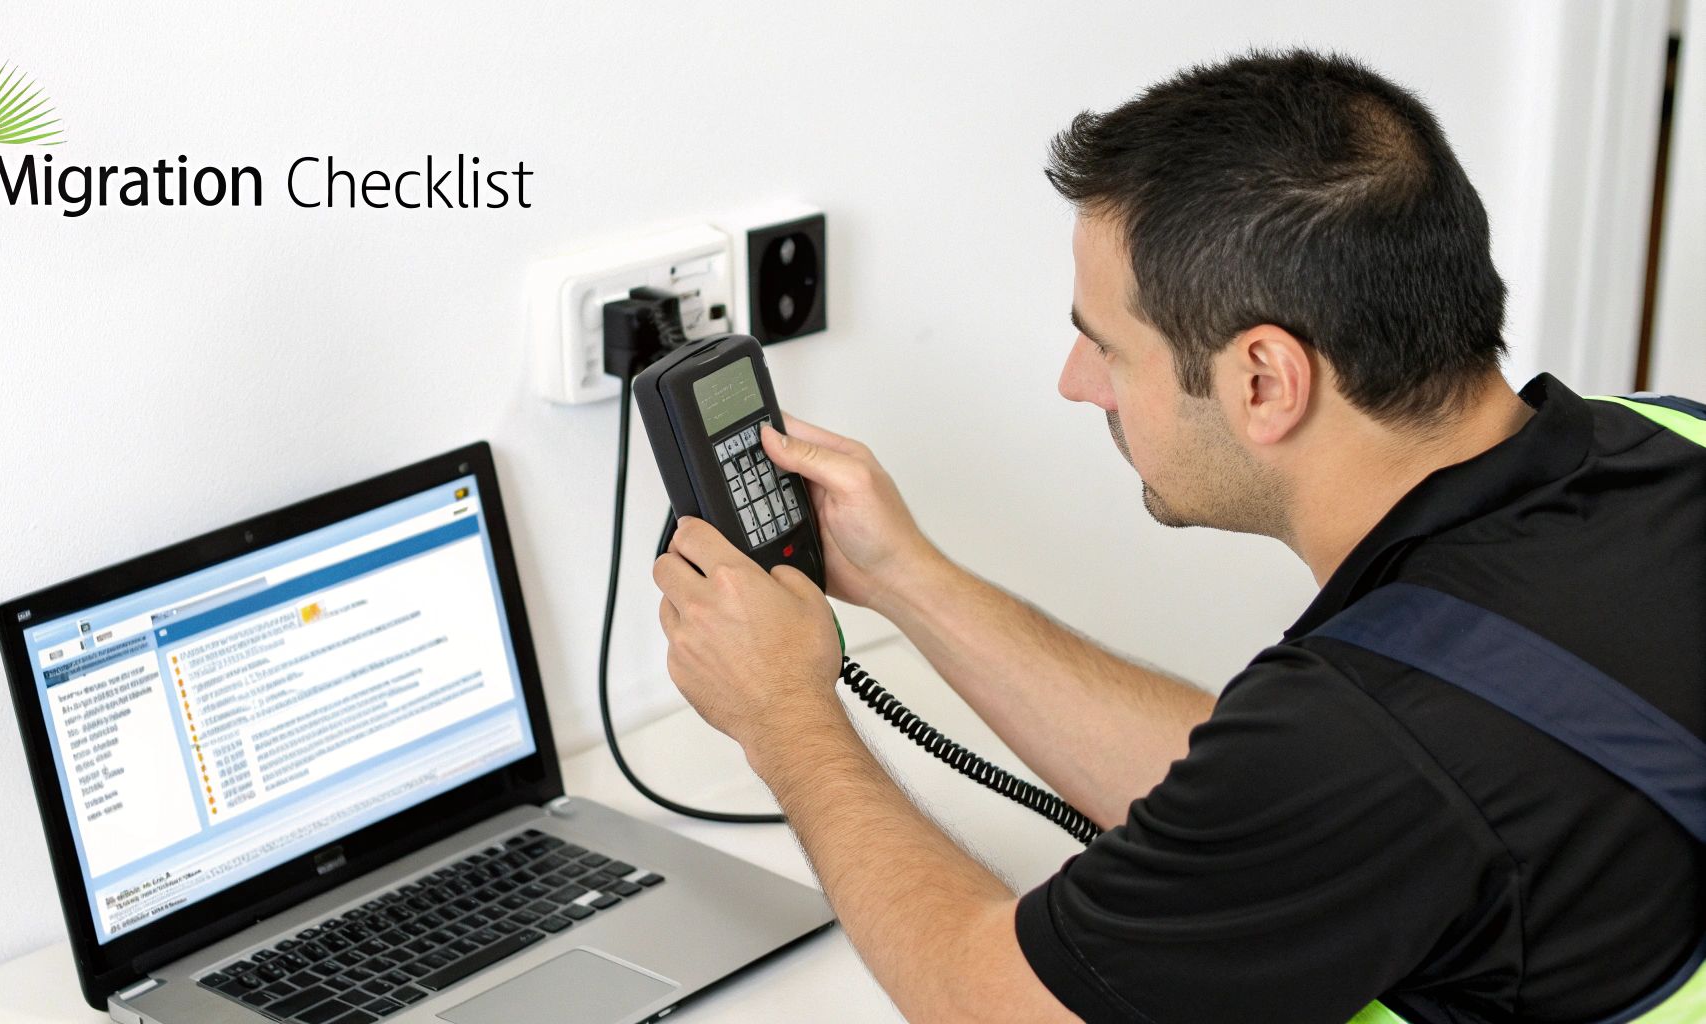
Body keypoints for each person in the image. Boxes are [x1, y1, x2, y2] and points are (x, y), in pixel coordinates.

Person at [649, 49, 1705, 1023]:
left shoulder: (1369, 744)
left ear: (1261, 380)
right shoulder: (1665, 444)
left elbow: (997, 1003)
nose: (1075, 383)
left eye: (1104, 346)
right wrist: (904, 577)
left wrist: (782, 716)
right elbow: (1272, 806)